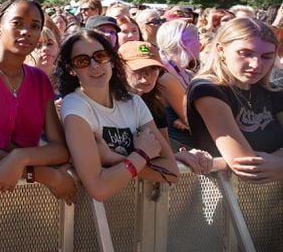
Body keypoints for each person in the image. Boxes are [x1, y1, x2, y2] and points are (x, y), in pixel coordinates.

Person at [0, 0, 76, 203]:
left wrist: (21, 157)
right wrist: (45, 175)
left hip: (25, 199)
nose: (26, 31)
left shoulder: (39, 80)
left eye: (35, 26)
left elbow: (60, 150)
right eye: (17, 23)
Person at [57, 30, 179, 201]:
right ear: (71, 70)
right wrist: (142, 155)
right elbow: (99, 188)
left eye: (100, 56)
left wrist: (112, 158)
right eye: (82, 61)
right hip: (92, 217)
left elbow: (172, 172)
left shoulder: (134, 102)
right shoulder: (75, 107)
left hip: (137, 212)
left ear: (112, 61)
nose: (95, 65)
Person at [187, 18, 283, 181]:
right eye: (246, 54)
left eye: (267, 56)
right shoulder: (207, 90)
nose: (256, 64)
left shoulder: (272, 87)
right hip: (226, 197)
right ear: (221, 50)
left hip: (271, 200)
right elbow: (247, 165)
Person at [118, 41, 213, 175]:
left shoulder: (155, 105)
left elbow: (165, 153)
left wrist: (179, 156)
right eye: (138, 69)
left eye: (153, 68)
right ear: (120, 68)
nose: (147, 75)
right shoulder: (107, 102)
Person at [156, 20, 201, 149]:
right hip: (181, 148)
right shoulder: (165, 77)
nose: (200, 43)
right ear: (182, 43)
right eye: (197, 38)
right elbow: (192, 120)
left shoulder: (186, 72)